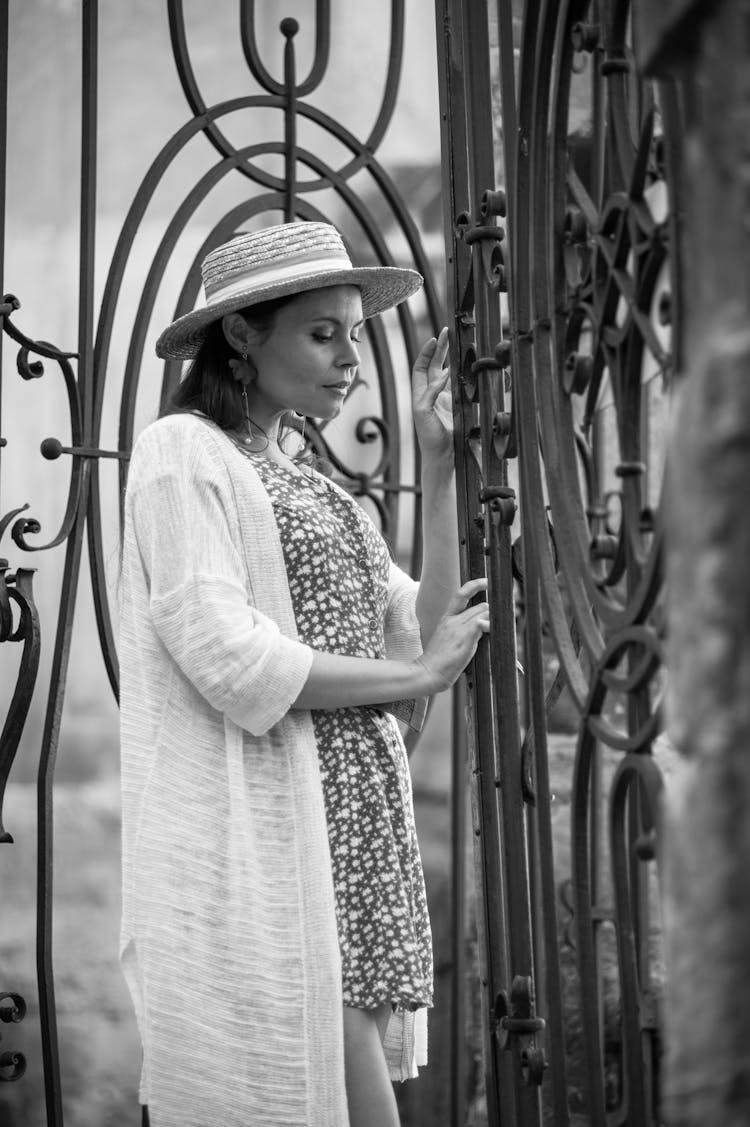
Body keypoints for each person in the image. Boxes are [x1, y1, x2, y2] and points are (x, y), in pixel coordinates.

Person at [118, 220, 489, 1127]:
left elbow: (421, 631)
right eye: (322, 333)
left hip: (352, 827)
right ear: (242, 333)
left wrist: (438, 469)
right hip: (281, 833)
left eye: (354, 335)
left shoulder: (304, 478)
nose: (349, 359)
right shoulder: (184, 454)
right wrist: (418, 677)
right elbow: (229, 658)